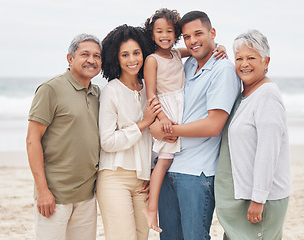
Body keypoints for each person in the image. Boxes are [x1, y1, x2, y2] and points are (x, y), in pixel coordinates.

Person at [149, 11, 241, 240]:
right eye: (187, 36)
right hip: (169, 165)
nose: (193, 41)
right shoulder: (188, 64)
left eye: (198, 34)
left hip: (196, 174)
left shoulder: (223, 70)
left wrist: (167, 130)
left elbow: (213, 125)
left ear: (212, 33)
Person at [215, 30, 292, 240]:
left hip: (261, 198)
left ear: (266, 61)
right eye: (239, 58)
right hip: (244, 195)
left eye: (251, 58)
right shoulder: (245, 93)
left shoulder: (267, 95)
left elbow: (268, 152)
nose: (244, 64)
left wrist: (258, 200)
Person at [26, 33, 102, 240]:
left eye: (97, 56)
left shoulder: (97, 94)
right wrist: (42, 190)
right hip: (55, 195)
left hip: (87, 195)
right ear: (70, 58)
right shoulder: (51, 89)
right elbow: (32, 140)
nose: (91, 60)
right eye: (85, 54)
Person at [96, 24, 162, 240]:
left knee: (142, 236)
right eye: (125, 54)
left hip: (143, 179)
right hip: (115, 177)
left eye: (136, 53)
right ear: (116, 58)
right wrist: (143, 123)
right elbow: (107, 141)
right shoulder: (112, 90)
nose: (132, 59)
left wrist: (152, 172)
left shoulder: (149, 88)